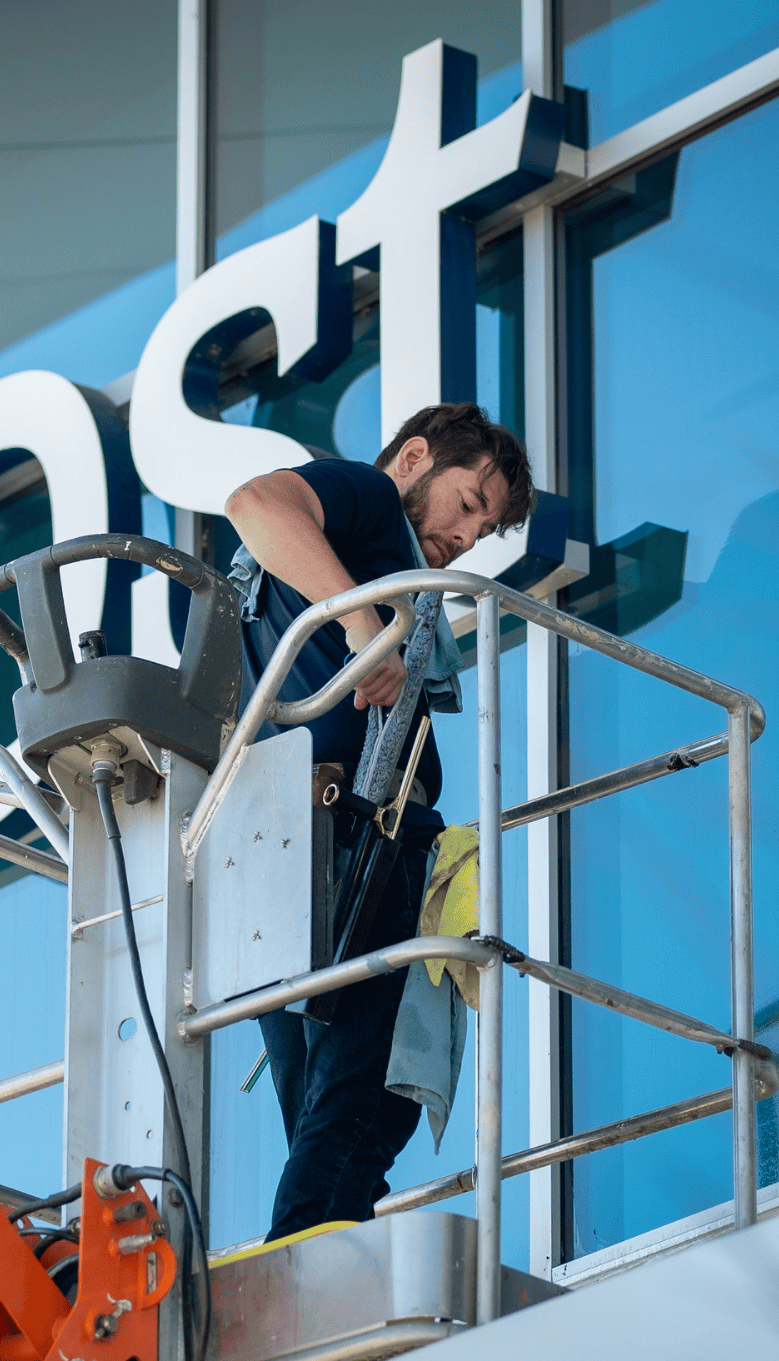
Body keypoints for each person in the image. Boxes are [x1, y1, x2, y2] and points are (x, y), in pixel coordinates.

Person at [224, 402, 536, 1239]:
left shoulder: (353, 555)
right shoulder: (365, 501)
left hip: (281, 853)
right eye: (467, 504)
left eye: (485, 529)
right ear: (413, 458)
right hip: (349, 839)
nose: (467, 538)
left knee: (320, 1108)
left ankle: (304, 1263)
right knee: (361, 1101)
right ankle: (310, 1270)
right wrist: (365, 623)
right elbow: (255, 502)